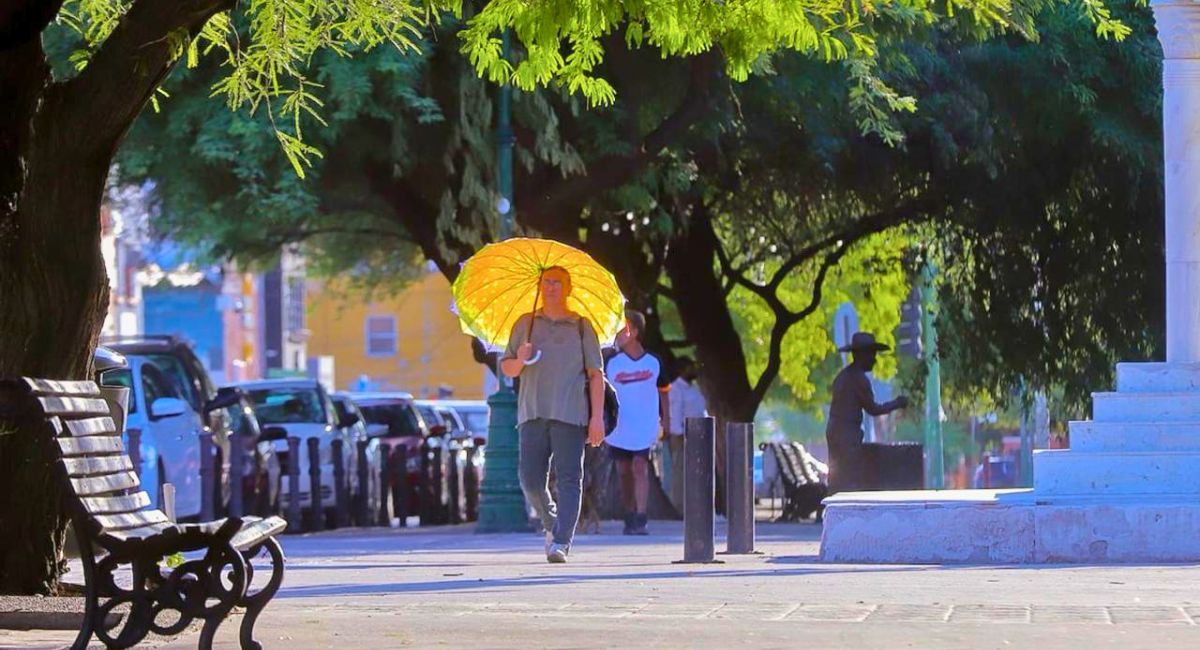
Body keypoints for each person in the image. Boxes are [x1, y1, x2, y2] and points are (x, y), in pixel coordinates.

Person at [501, 266, 605, 564]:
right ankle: (550, 521)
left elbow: (596, 375)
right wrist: (519, 359)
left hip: (571, 414)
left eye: (557, 282)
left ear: (568, 288)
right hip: (532, 411)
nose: (550, 287)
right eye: (546, 282)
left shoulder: (582, 327)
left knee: (571, 478)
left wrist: (596, 418)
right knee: (530, 479)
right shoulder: (525, 324)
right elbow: (507, 368)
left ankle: (561, 542)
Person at [604, 309, 670, 535]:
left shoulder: (653, 362)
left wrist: (666, 420)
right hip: (619, 426)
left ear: (633, 331)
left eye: (622, 329)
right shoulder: (611, 363)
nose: (618, 335)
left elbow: (664, 391)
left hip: (645, 424)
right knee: (623, 470)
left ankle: (641, 517)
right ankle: (629, 512)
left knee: (640, 467)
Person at [825, 332, 910, 493]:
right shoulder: (858, 379)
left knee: (839, 477)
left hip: (837, 431)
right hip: (846, 434)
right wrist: (897, 403)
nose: (874, 359)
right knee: (847, 478)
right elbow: (873, 409)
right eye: (871, 354)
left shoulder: (844, 376)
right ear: (860, 355)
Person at [666, 356, 707, 512]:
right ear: (682, 370)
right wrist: (679, 434)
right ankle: (680, 508)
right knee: (681, 473)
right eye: (690, 367)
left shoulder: (693, 389)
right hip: (683, 435)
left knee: (697, 472)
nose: (694, 370)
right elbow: (674, 413)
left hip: (699, 435)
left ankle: (696, 507)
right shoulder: (676, 389)